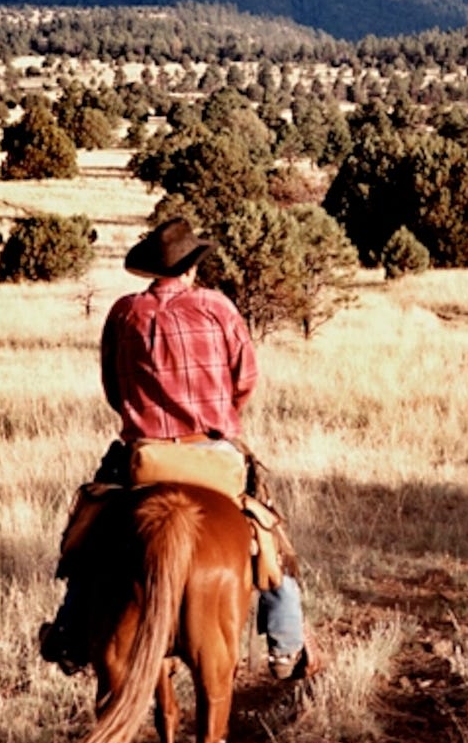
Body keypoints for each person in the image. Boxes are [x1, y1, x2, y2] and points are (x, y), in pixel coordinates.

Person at [40, 216, 310, 680]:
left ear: (151, 271)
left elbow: (113, 387)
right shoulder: (218, 308)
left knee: (88, 534)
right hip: (214, 455)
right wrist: (219, 418)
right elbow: (244, 379)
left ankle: (70, 630)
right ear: (191, 268)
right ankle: (287, 642)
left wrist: (145, 417)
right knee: (266, 532)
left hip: (146, 459)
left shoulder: (125, 312)